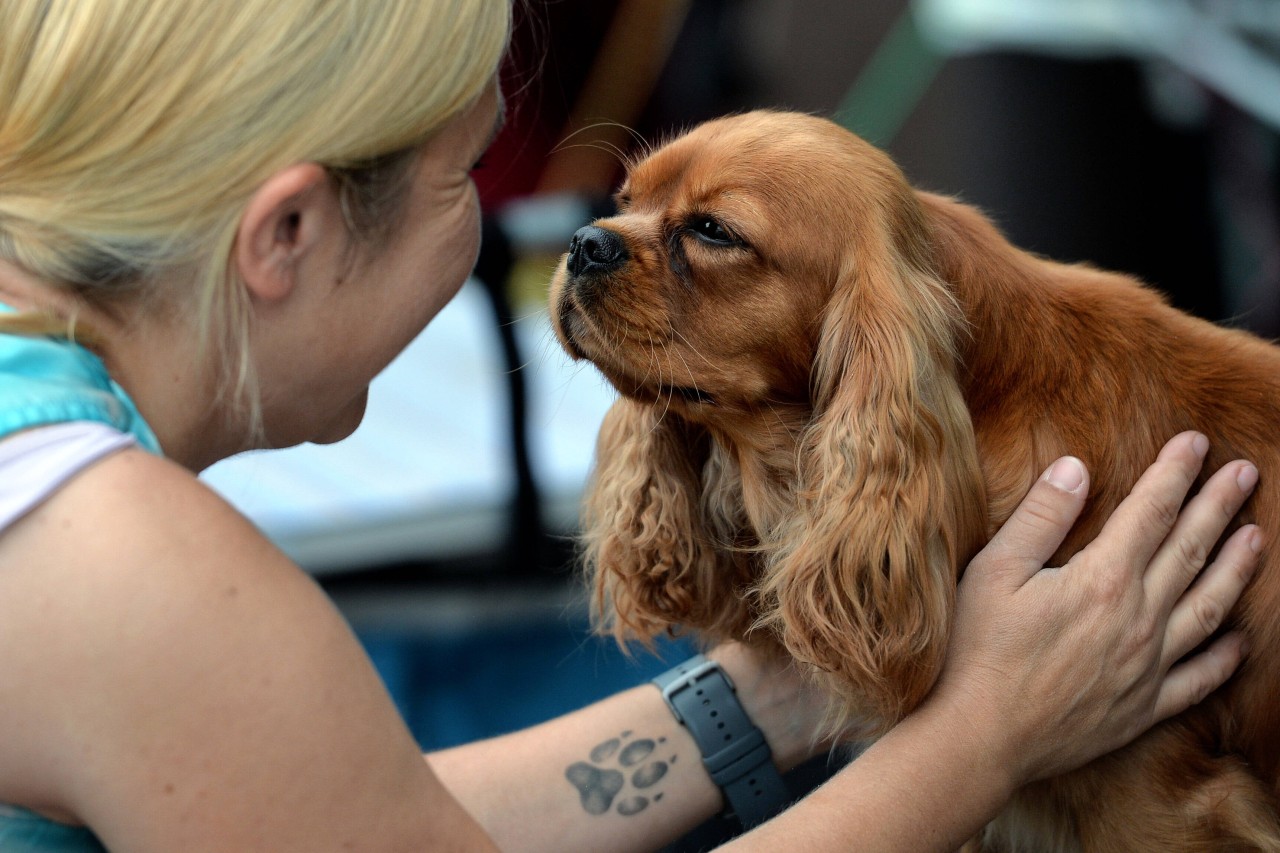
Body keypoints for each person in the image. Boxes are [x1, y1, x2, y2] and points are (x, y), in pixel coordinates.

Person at [0, 1, 1261, 851]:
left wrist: (783, 694)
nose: (570, 248)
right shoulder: (121, 563)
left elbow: (362, 819)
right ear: (286, 235)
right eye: (465, 180)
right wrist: (986, 736)